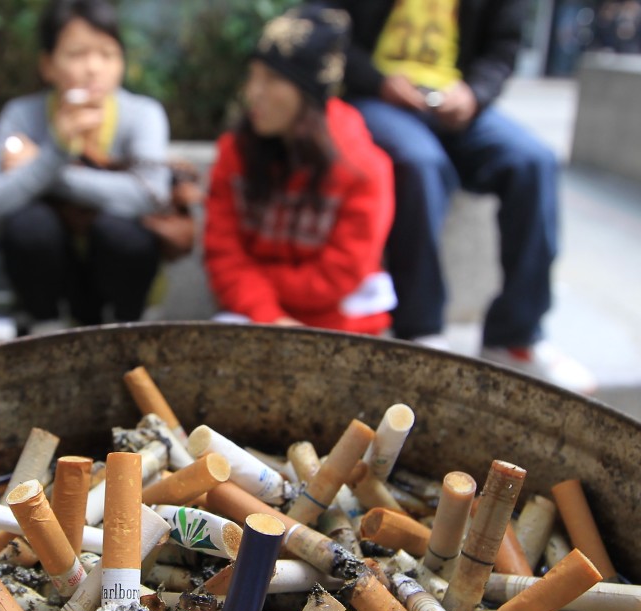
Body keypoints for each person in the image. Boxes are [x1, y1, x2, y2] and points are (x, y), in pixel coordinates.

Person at [317, 0, 597, 393]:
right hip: (376, 97)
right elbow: (325, 28)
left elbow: (503, 49)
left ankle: (515, 336)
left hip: (457, 101)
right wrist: (377, 80)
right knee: (419, 165)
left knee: (534, 161)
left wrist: (473, 94)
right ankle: (421, 330)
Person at [0, 0, 170, 333]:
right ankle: (46, 328)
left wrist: (45, 166)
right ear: (48, 65)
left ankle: (129, 331)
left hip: (120, 277)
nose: (94, 68)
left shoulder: (142, 114)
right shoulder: (22, 115)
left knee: (119, 232)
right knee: (29, 225)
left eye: (107, 54)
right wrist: (58, 148)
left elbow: (151, 194)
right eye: (77, 54)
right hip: (52, 282)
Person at [203, 6, 396, 335]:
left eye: (273, 79)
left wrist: (262, 281)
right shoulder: (235, 151)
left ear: (310, 95)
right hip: (253, 316)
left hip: (339, 324)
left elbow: (342, 272)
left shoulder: (363, 168)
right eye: (253, 75)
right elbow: (223, 254)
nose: (254, 93)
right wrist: (268, 314)